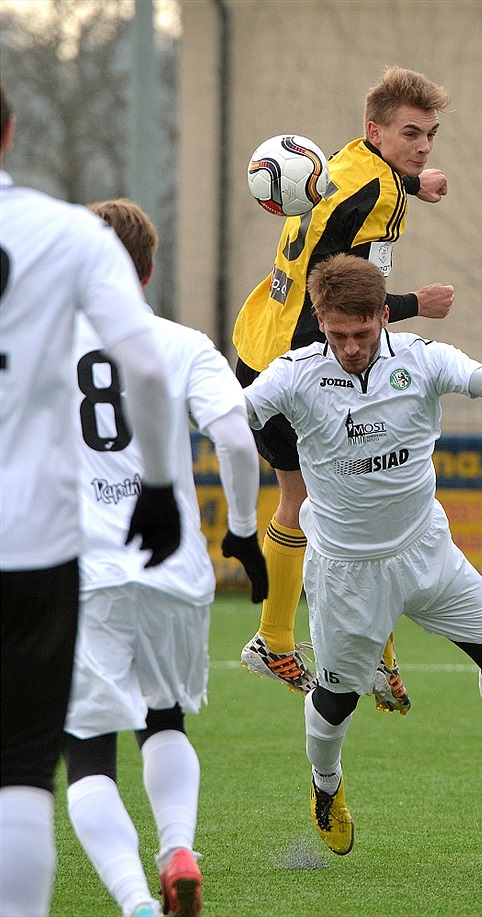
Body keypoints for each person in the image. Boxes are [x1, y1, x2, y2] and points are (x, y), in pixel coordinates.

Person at [243, 253, 482, 857]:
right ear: (320, 320)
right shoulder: (294, 374)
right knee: (336, 701)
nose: (350, 346)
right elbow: (228, 414)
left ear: (384, 315)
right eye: (337, 333)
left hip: (427, 551)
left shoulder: (422, 359)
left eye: (363, 332)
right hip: (348, 573)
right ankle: (327, 788)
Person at [0, 86, 182, 917]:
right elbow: (143, 366)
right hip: (36, 542)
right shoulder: (65, 232)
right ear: (10, 130)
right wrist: (156, 484)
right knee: (26, 771)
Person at [62, 199, 267, 917]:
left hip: (83, 572)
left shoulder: (38, 343)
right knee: (165, 720)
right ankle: (178, 848)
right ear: (148, 270)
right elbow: (237, 441)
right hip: (175, 566)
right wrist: (241, 528)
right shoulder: (183, 343)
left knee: (86, 752)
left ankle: (136, 903)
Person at [234, 65, 454, 711]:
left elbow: (360, 193)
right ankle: (340, 653)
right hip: (302, 358)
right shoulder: (378, 194)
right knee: (352, 501)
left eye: (431, 135)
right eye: (411, 134)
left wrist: (415, 180)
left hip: (259, 340)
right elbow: (348, 294)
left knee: (311, 498)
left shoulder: (345, 161)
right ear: (375, 130)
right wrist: (419, 302)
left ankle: (284, 641)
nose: (422, 145)